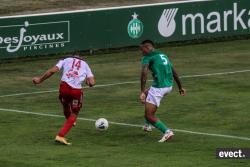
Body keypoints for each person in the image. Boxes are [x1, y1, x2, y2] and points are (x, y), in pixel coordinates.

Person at [32, 53, 95, 145]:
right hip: (76, 91)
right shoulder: (85, 64)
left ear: (72, 56)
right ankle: (60, 136)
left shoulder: (65, 60)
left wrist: (39, 80)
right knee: (75, 113)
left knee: (65, 103)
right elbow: (92, 82)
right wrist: (88, 83)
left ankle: (68, 119)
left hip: (64, 87)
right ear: (81, 58)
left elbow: (52, 71)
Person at [139, 40, 185, 143]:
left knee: (149, 115)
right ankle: (147, 125)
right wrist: (180, 87)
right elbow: (173, 70)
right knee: (147, 94)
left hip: (158, 88)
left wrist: (142, 91)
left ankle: (167, 131)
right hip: (169, 86)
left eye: (141, 49)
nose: (141, 52)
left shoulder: (147, 57)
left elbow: (144, 74)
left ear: (147, 47)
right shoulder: (163, 54)